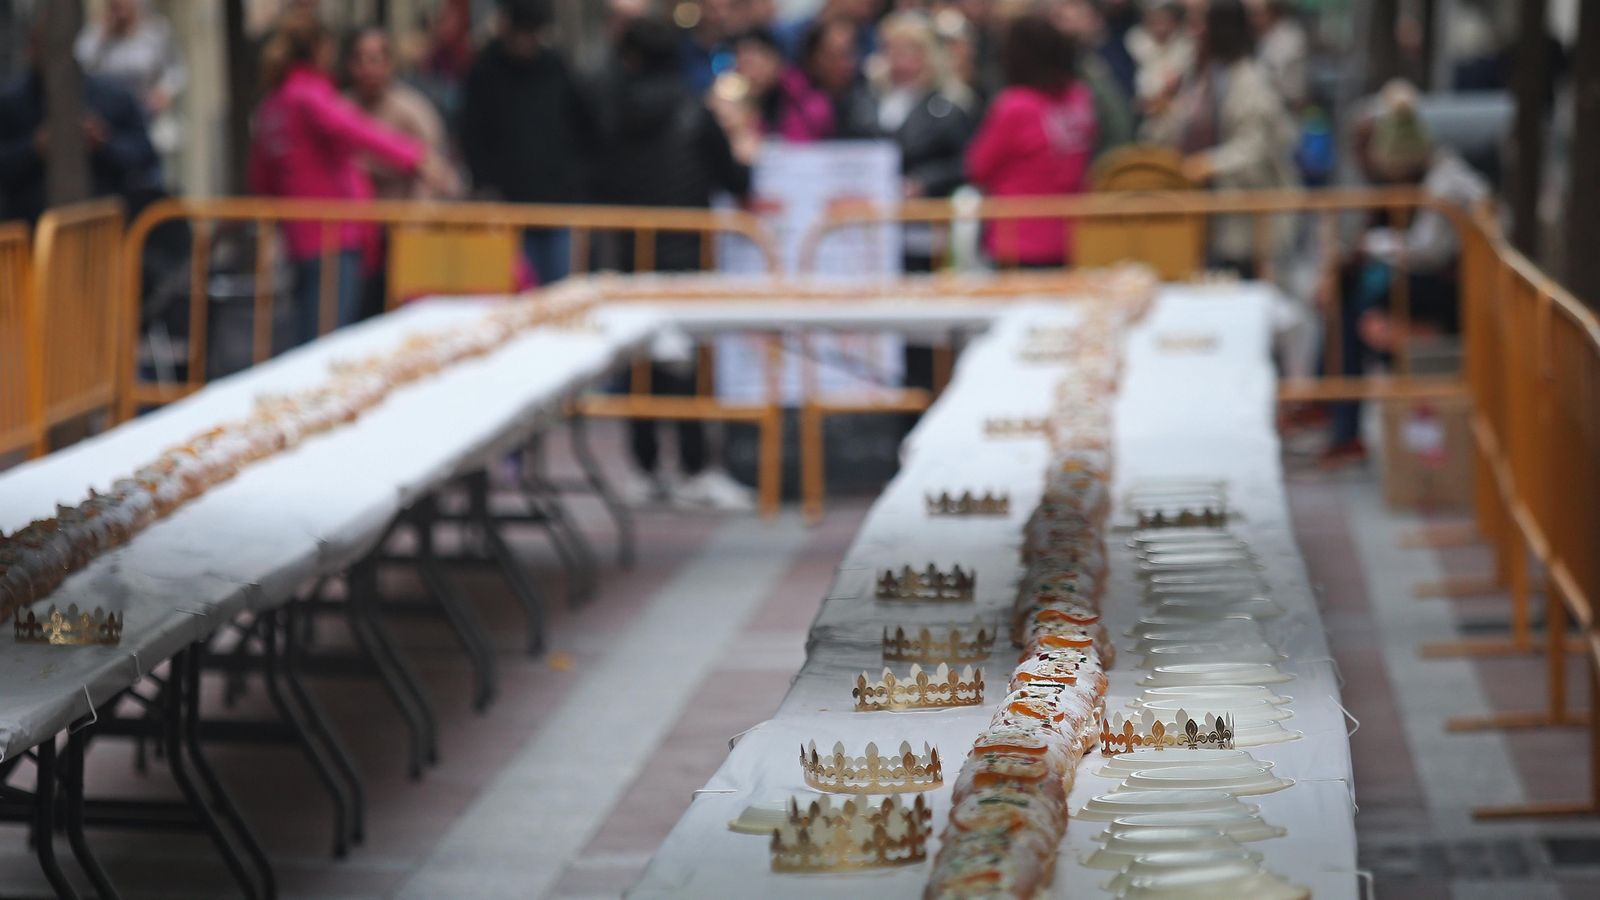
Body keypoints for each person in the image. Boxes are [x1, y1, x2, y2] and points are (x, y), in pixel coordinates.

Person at [597, 16, 758, 511]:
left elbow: (599, 179)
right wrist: (744, 144)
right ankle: (694, 467)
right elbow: (735, 179)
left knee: (640, 364)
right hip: (689, 254)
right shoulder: (695, 109)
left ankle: (644, 467)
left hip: (632, 253)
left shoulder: (614, 113)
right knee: (688, 370)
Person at [248, 10, 446, 346]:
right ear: (320, 50)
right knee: (327, 341)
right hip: (334, 236)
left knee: (312, 335)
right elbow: (359, 131)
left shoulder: (273, 103)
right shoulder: (310, 96)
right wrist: (416, 156)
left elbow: (260, 175)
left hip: (300, 236)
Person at [1321, 80, 1488, 466]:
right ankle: (1338, 420)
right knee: (1349, 299)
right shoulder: (1433, 174)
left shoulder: (1444, 182)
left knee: (1355, 309)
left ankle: (1343, 425)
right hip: (1440, 281)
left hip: (1452, 290)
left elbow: (1427, 250)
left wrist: (1377, 246)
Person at [1142, 0, 1297, 273]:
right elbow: (1168, 133)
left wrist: (1207, 164)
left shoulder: (1251, 80)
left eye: (1199, 23)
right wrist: (1163, 108)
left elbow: (1254, 150)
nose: (1192, 31)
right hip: (1196, 218)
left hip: (1242, 223)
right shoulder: (1196, 76)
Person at [459, 0, 600, 285]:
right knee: (515, 289)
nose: (525, 42)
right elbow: (472, 134)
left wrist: (577, 182)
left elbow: (586, 126)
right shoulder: (485, 71)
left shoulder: (557, 67)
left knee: (559, 290)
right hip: (507, 208)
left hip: (557, 205)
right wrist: (485, 184)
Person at [965, 12, 1098, 268]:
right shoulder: (1080, 98)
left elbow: (977, 167)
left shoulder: (1015, 106)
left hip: (1019, 239)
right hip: (1073, 234)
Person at [0, 15, 158, 223]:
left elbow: (144, 155)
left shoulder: (112, 97)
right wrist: (33, 148)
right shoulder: (11, 102)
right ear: (31, 48)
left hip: (104, 225)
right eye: (45, 45)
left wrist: (104, 143)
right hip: (30, 228)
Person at [872, 11, 975, 266]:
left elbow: (965, 163)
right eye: (891, 52)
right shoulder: (869, 101)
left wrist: (923, 181)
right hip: (874, 224)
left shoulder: (946, 107)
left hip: (924, 224)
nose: (898, 62)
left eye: (908, 53)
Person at [73, 0, 184, 185]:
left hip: (146, 118)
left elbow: (175, 71)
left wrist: (163, 94)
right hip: (107, 123)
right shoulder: (95, 33)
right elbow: (81, 66)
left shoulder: (155, 31)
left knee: (149, 179)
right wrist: (104, 35)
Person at [345, 28, 459, 201]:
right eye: (359, 60)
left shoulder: (413, 110)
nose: (366, 68)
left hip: (404, 211)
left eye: (374, 60)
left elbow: (436, 170)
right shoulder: (338, 109)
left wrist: (416, 214)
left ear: (389, 64)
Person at [729, 27, 835, 142]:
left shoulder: (805, 100)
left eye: (752, 63)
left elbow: (800, 141)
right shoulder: (732, 99)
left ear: (775, 60)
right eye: (742, 64)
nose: (749, 73)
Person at [799, 18, 877, 139]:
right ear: (813, 58)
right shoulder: (790, 97)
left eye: (849, 54)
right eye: (833, 55)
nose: (843, 63)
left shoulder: (870, 94)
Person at [1125, 1, 1193, 112]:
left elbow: (1176, 82)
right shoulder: (1135, 42)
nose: (1161, 26)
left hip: (1180, 109)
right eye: (1156, 20)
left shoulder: (1185, 45)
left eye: (1165, 20)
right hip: (1143, 109)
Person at [1246, 0, 1308, 110]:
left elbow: (1294, 91)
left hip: (1283, 109)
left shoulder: (1289, 39)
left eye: (1257, 14)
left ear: (1272, 12)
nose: (1252, 20)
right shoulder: (1261, 38)